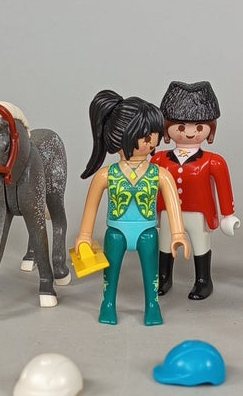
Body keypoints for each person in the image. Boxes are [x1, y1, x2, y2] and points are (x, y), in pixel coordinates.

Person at [76, 90, 189, 325]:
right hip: (116, 232)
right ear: (119, 137)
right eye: (144, 136)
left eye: (154, 134)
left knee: (151, 273)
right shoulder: (106, 175)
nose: (151, 141)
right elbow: (91, 208)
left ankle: (152, 305)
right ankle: (108, 303)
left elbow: (173, 206)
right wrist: (84, 236)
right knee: (110, 272)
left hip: (147, 232)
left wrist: (178, 234)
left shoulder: (160, 174)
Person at [150, 80, 239, 300]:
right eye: (181, 127)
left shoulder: (213, 161)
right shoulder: (159, 158)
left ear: (210, 129)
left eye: (199, 127)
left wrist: (228, 214)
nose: (190, 133)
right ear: (167, 128)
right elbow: (148, 185)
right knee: (165, 243)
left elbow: (224, 188)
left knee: (200, 244)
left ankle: (203, 280)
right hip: (167, 212)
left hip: (198, 213)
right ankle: (164, 277)